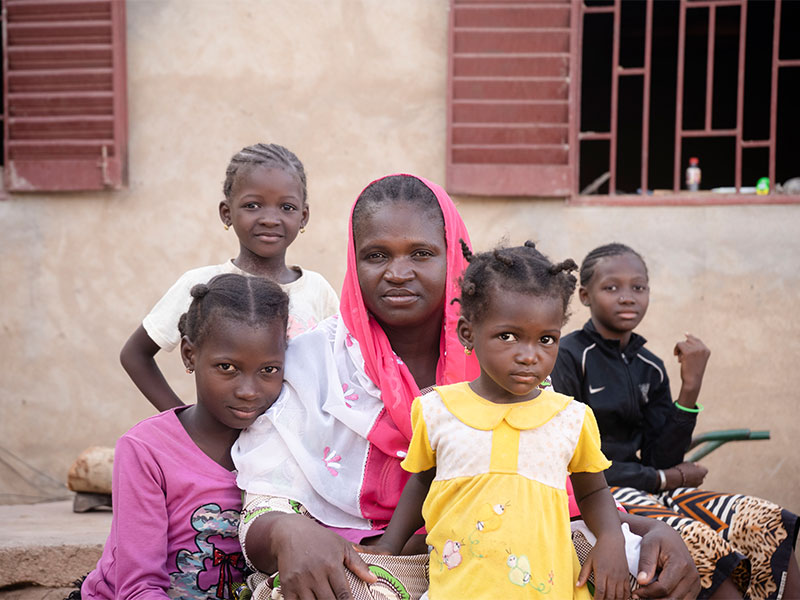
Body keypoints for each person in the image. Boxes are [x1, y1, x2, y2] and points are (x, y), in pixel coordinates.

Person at [233, 175, 701, 600]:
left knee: (651, 567)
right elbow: (268, 497)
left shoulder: (511, 354)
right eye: (377, 255)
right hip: (368, 562)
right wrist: (286, 533)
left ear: (453, 255)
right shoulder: (314, 361)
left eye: (421, 253)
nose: (398, 273)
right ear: (354, 262)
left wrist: (640, 531)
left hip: (516, 550)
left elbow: (552, 487)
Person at [374, 241, 631, 599]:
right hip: (457, 590)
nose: (529, 356)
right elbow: (422, 482)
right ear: (468, 333)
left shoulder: (570, 418)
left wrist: (611, 539)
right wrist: (388, 547)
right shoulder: (438, 410)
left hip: (547, 591)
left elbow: (594, 491)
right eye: (508, 337)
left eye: (546, 339)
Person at [551, 242, 800, 600]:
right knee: (693, 538)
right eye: (612, 287)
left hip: (649, 487)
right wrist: (663, 477)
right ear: (586, 296)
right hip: (604, 494)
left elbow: (661, 455)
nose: (627, 297)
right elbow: (572, 461)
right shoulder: (568, 356)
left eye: (638, 287)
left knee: (762, 518)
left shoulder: (649, 365)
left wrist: (690, 387)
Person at [82, 274, 289, 599]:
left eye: (268, 370)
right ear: (190, 355)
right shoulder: (146, 451)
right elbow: (138, 587)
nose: (249, 391)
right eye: (227, 367)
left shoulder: (287, 447)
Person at [120, 143, 338, 412]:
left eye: (287, 207)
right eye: (253, 205)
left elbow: (339, 368)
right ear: (227, 213)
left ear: (303, 217)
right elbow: (135, 355)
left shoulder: (318, 290)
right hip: (222, 446)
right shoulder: (201, 285)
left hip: (301, 447)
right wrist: (181, 422)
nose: (270, 218)